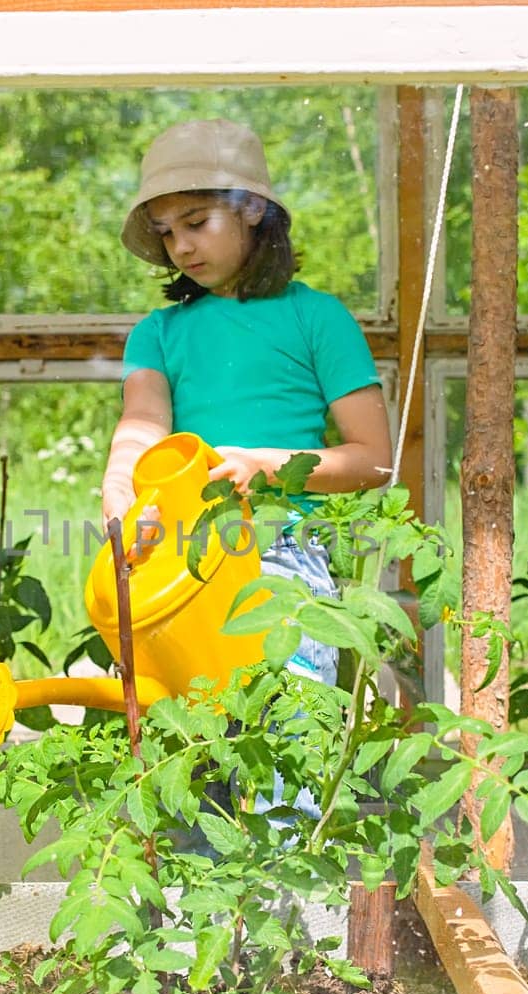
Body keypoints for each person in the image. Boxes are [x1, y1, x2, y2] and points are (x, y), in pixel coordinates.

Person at [100, 118, 394, 690]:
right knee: (197, 751)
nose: (181, 246)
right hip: (182, 552)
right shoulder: (157, 333)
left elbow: (375, 460)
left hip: (288, 558)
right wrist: (119, 495)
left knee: (289, 741)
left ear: (252, 210)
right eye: (165, 232)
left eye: (196, 222)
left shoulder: (318, 318)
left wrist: (263, 468)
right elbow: (138, 431)